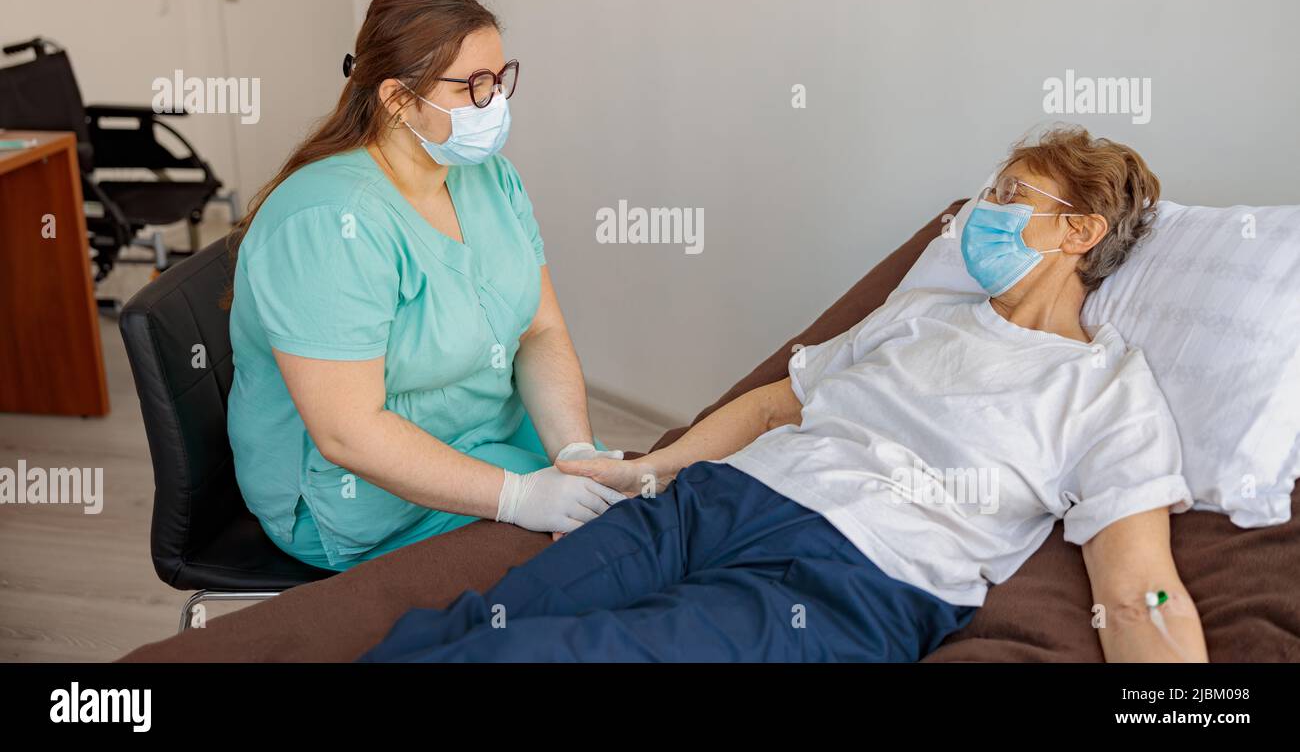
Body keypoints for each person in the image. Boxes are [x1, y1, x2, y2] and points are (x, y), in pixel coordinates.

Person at [362, 127, 1207, 662]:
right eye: (987, 192)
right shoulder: (920, 312)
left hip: (848, 578)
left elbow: (1139, 591)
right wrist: (655, 468)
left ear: (1081, 231)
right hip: (713, 502)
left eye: (1009, 197)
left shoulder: (1108, 394)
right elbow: (776, 405)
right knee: (489, 619)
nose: (979, 214)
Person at [224, 0, 623, 571]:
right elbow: (348, 434)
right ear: (397, 98)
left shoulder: (490, 178)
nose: (496, 102)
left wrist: (575, 452)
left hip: (489, 443)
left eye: (500, 77)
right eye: (473, 86)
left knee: (638, 503)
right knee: (607, 557)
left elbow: (540, 332)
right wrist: (519, 497)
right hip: (359, 501)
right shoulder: (333, 223)